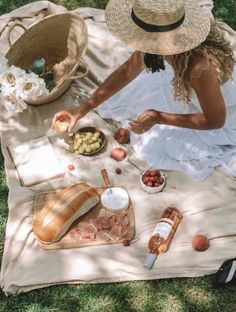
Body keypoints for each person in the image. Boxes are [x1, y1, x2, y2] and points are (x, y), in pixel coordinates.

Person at [52, 0, 236, 181]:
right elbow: (127, 70)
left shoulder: (200, 69)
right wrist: (82, 109)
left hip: (223, 113)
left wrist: (159, 117)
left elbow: (215, 120)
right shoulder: (162, 43)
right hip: (198, 94)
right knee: (125, 97)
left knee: (154, 146)